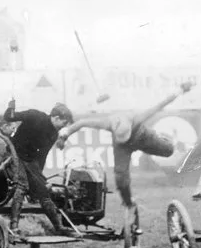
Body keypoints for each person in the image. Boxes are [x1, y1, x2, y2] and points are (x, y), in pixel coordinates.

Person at [55, 82, 194, 215]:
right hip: (122, 147)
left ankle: (162, 138)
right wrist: (64, 135)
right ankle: (128, 203)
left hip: (142, 137)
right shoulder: (107, 123)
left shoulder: (138, 118)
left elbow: (161, 104)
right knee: (120, 177)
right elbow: (81, 123)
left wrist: (180, 90)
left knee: (169, 150)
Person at [3, 100, 77, 238]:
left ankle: (59, 227)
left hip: (29, 161)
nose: (63, 127)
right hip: (13, 155)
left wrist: (39, 180)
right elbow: (9, 117)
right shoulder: (35, 115)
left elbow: (41, 157)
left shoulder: (53, 134)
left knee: (43, 191)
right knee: (22, 185)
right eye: (64, 123)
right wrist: (11, 106)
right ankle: (14, 226)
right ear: (56, 118)